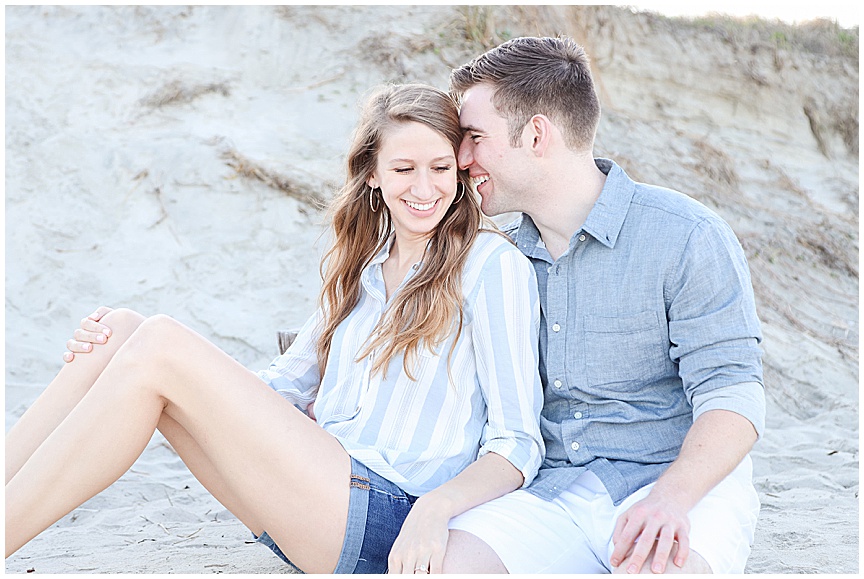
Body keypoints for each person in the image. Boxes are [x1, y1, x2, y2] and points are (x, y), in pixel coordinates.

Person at [5, 83, 545, 574]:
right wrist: (151, 368)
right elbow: (281, 387)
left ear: (458, 172)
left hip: (387, 520)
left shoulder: (491, 266)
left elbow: (517, 443)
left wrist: (437, 507)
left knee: (160, 343)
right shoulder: (365, 266)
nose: (424, 188)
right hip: (311, 501)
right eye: (404, 169)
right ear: (374, 175)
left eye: (440, 168)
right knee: (123, 330)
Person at [440, 37, 765, 574]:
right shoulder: (495, 258)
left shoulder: (685, 235)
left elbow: (733, 393)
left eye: (474, 137)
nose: (461, 158)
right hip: (548, 491)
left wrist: (671, 499)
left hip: (672, 481)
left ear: (537, 134)